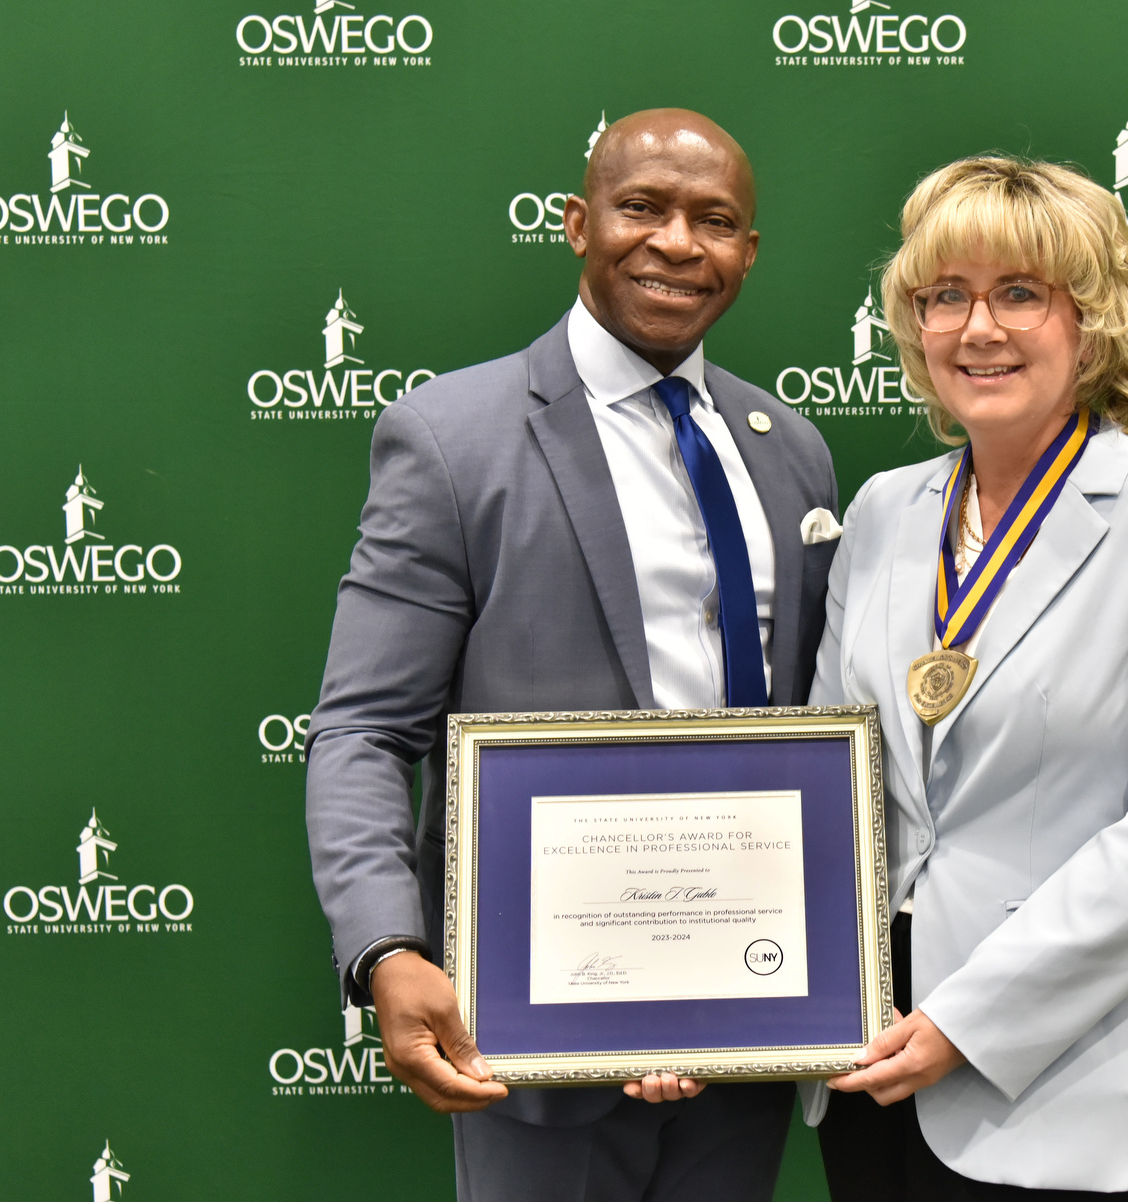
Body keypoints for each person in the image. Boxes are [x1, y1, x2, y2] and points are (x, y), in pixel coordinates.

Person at [304, 109, 839, 1202]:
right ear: (577, 224)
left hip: (752, 1023)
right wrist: (386, 949)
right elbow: (362, 729)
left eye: (716, 219)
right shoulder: (453, 439)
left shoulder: (793, 452)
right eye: (643, 206)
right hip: (536, 1041)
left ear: (748, 254)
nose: (678, 242)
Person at [804, 156, 1128, 1199]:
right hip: (871, 1064)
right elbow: (825, 776)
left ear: (1094, 322)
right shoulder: (883, 511)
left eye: (1020, 292)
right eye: (947, 296)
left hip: (1070, 1084)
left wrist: (972, 1020)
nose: (979, 328)